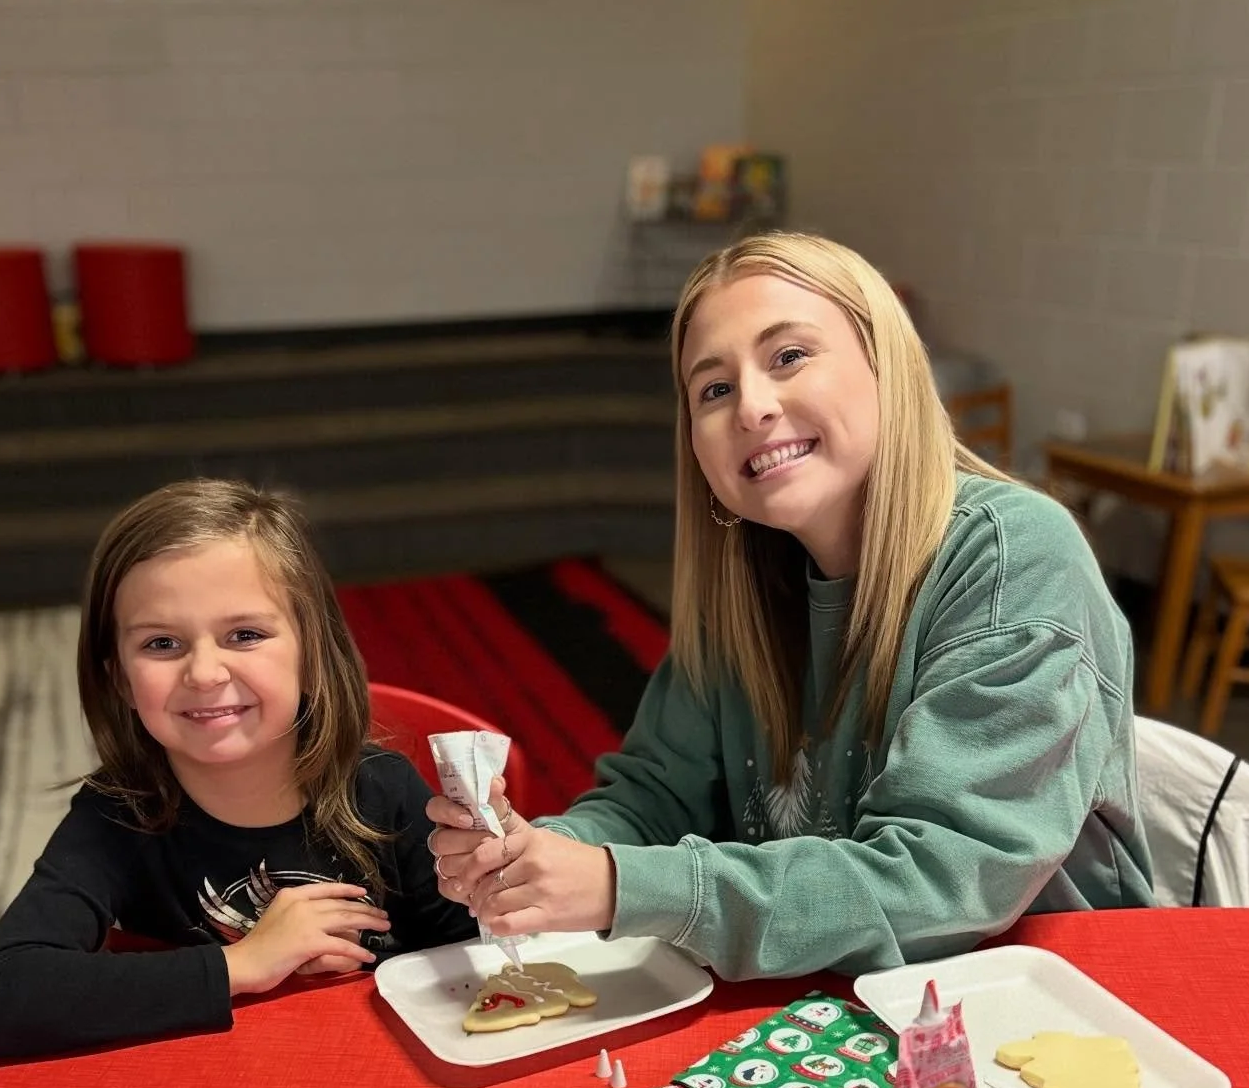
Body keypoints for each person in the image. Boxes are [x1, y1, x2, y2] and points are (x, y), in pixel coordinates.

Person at [428, 232, 1154, 978]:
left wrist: (620, 886)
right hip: (832, 1004)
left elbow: (940, 885)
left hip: (1042, 1005)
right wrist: (537, 857)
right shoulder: (740, 592)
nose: (752, 407)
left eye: (789, 357)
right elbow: (651, 803)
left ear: (887, 366)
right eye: (714, 390)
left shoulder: (1013, 556)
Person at [0, 479, 474, 1060]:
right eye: (162, 643)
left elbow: (480, 960)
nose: (204, 673)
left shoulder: (383, 789)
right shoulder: (119, 814)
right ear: (120, 679)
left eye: (245, 635)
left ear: (312, 654)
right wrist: (242, 963)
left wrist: (502, 877)